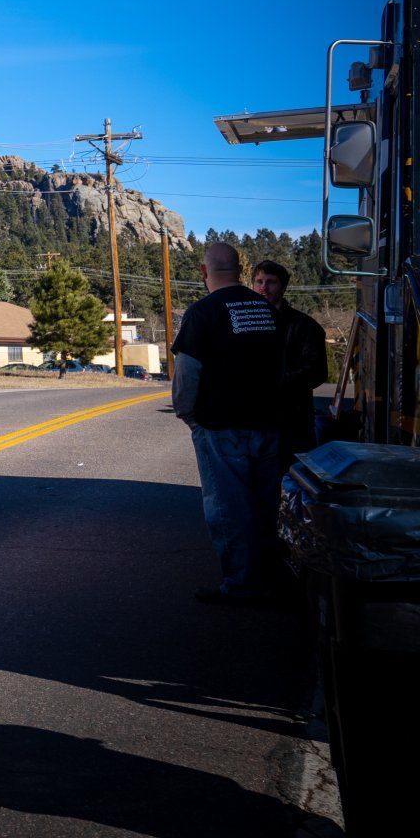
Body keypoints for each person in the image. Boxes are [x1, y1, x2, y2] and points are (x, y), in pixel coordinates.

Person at [171, 243, 287, 605]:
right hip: (269, 424)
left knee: (228, 507)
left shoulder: (203, 312)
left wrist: (189, 416)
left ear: (204, 273)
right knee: (266, 505)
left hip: (221, 426)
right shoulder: (267, 310)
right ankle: (271, 578)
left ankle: (240, 584)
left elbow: (187, 374)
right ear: (241, 269)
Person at [251, 259, 328, 462]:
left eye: (271, 282)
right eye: (258, 281)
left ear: (283, 287)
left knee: (292, 483)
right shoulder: (243, 323)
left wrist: (274, 383)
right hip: (251, 422)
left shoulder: (305, 326)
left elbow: (317, 371)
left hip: (292, 422)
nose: (263, 287)